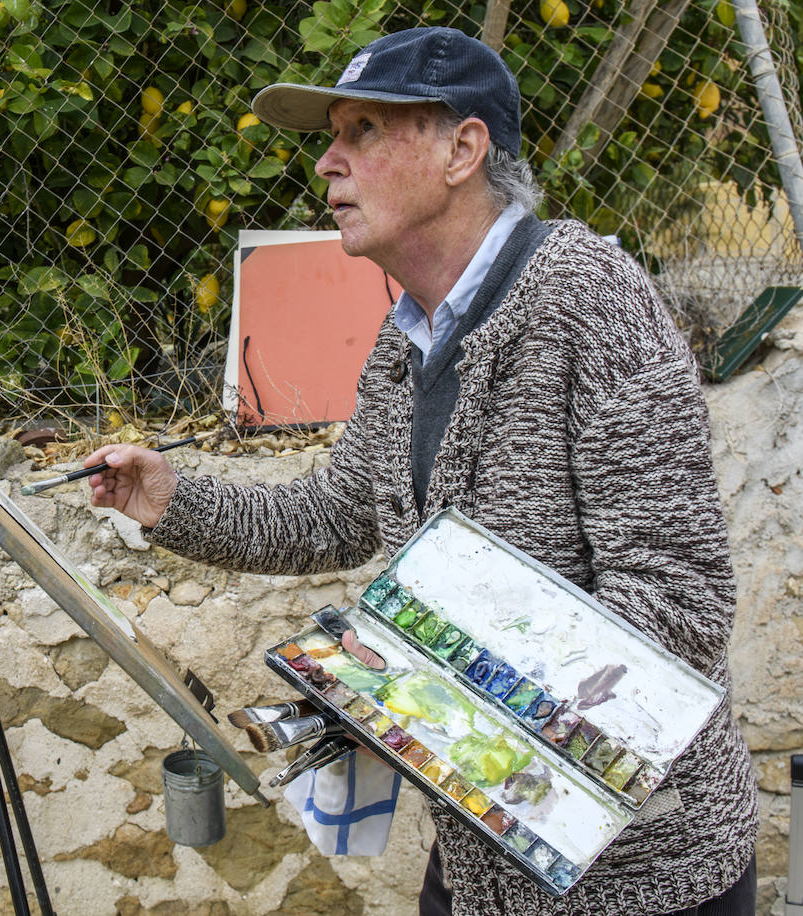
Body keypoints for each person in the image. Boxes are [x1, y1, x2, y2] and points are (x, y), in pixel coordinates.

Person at [84, 26, 758, 916]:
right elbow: (336, 515)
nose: (326, 162)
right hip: (485, 861)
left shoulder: (590, 299)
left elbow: (681, 602)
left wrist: (419, 684)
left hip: (638, 877)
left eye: (362, 130)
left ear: (463, 149)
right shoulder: (406, 340)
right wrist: (170, 498)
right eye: (332, 135)